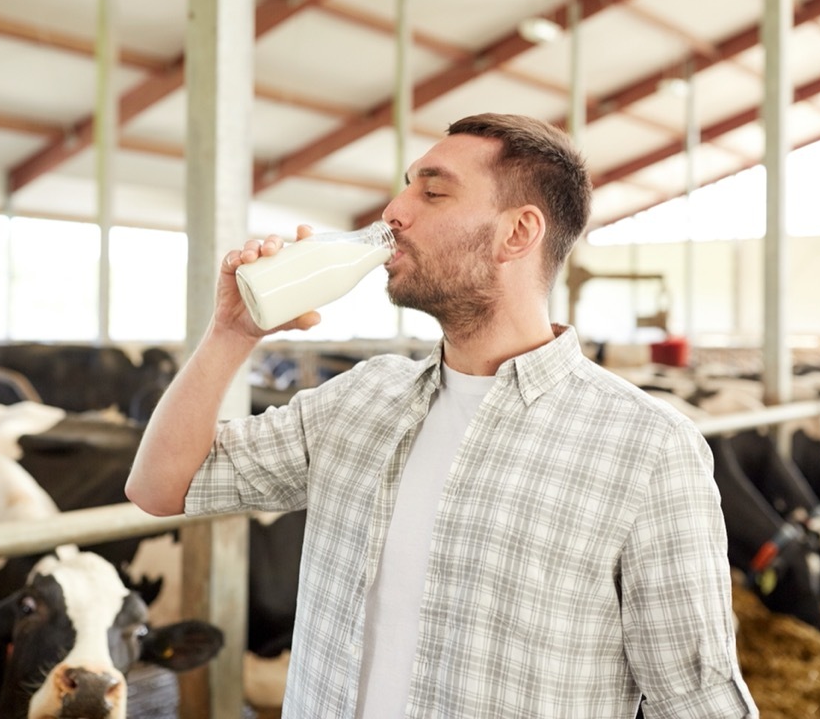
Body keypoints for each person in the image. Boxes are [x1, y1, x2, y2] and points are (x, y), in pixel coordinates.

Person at [126, 113, 758, 718]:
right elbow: (160, 487)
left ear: (518, 233)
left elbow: (696, 697)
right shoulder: (362, 399)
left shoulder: (647, 448)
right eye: (406, 188)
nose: (394, 213)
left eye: (433, 193)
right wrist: (230, 332)